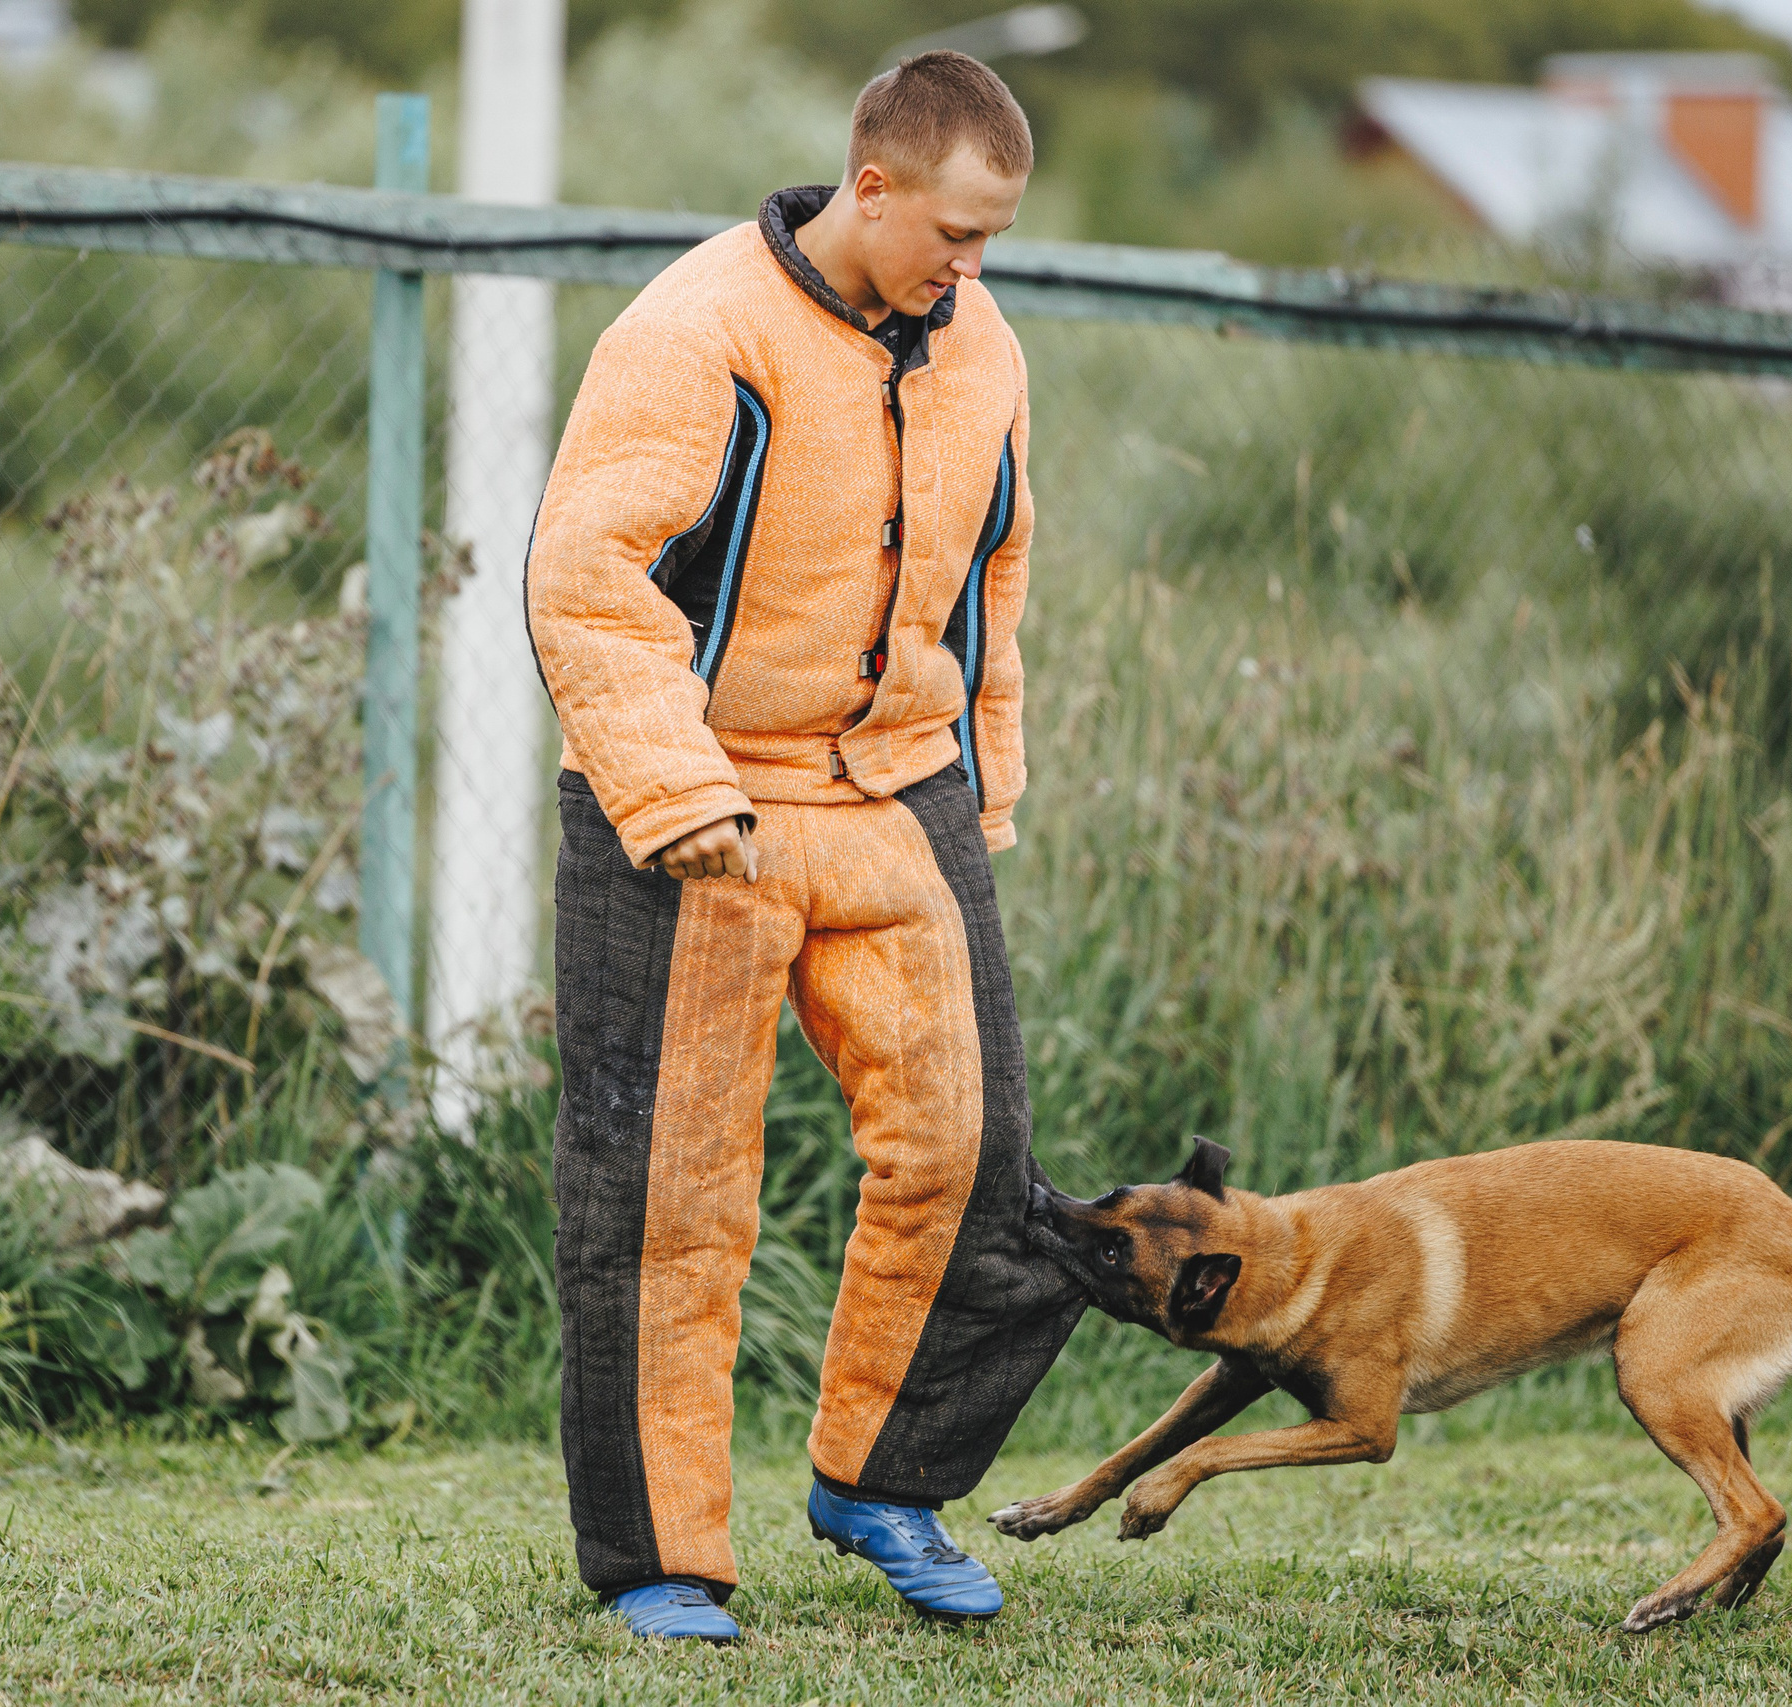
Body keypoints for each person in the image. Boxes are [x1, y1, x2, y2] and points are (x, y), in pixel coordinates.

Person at [524, 49, 1088, 1644]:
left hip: (898, 789)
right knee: (664, 1198)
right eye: (955, 236)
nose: (971, 271)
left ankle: (882, 1478)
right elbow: (584, 574)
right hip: (702, 799)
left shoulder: (985, 350)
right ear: (876, 184)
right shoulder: (695, 330)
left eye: (994, 244)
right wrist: (671, 788)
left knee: (974, 1157)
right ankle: (663, 1562)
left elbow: (996, 577)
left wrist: (983, 777)